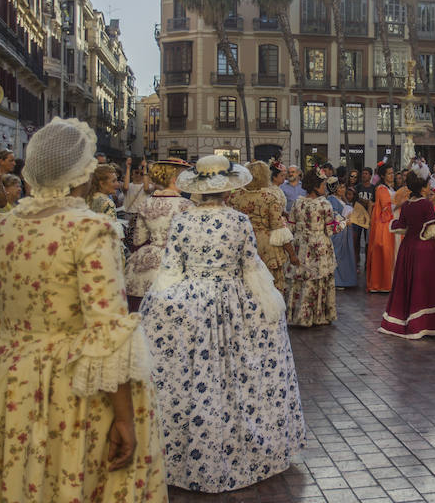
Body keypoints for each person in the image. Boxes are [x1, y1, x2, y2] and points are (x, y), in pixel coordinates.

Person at [0, 118, 167, 499]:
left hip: (8, 382)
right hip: (73, 387)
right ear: (82, 174)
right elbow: (107, 330)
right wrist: (124, 417)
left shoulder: (1, 226)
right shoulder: (90, 229)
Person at [140, 154, 305, 491]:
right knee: (235, 372)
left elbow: (171, 269)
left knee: (193, 372)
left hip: (190, 302)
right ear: (227, 188)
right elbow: (251, 267)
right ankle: (236, 444)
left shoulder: (183, 221)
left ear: (199, 189)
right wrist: (268, 301)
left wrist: (157, 306)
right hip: (233, 302)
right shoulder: (238, 221)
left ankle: (189, 451)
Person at [379, 161, 435, 339]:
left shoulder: (407, 204)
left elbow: (400, 225)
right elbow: (432, 230)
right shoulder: (426, 204)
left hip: (407, 248)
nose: (431, 187)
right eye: (429, 184)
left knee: (408, 285)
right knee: (422, 286)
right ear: (423, 188)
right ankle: (422, 324)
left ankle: (406, 319)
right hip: (424, 250)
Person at [124, 159, 194, 312]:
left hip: (148, 263)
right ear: (175, 179)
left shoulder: (146, 203)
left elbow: (138, 239)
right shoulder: (187, 206)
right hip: (176, 263)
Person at [286, 167, 348, 325]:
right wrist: (344, 222)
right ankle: (317, 316)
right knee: (318, 281)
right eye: (323, 184)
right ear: (316, 186)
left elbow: (290, 227)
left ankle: (298, 316)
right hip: (319, 248)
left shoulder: (297, 203)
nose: (324, 187)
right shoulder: (324, 204)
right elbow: (330, 229)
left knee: (301, 280)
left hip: (300, 247)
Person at [228, 161, 298, 293]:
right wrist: (292, 255)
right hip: (267, 246)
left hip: (243, 243)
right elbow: (279, 229)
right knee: (270, 288)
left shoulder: (236, 196)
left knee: (247, 286)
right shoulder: (270, 197)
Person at [367, 163, 402, 293]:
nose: (392, 175)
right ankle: (383, 283)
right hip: (385, 225)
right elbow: (386, 208)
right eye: (389, 173)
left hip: (393, 222)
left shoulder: (391, 189)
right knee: (386, 253)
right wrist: (400, 203)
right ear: (383, 175)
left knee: (394, 252)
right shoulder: (381, 189)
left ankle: (392, 282)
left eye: (393, 173)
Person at [326, 177, 358, 288]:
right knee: (338, 255)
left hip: (345, 230)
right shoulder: (331, 199)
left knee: (344, 255)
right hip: (339, 232)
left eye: (344, 186)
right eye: (340, 187)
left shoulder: (342, 199)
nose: (342, 189)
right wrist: (344, 219)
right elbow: (333, 215)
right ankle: (337, 281)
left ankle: (345, 280)